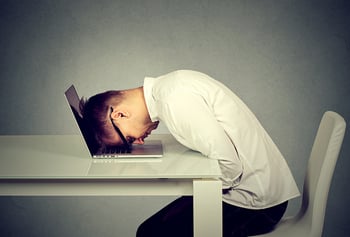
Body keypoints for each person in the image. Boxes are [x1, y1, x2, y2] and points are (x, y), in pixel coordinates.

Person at [80, 70, 300, 237]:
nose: (138, 141)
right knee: (151, 231)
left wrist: (178, 180)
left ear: (119, 114)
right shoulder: (169, 88)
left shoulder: (174, 100)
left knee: (150, 234)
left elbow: (230, 168)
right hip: (255, 191)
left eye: (129, 139)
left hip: (257, 203)